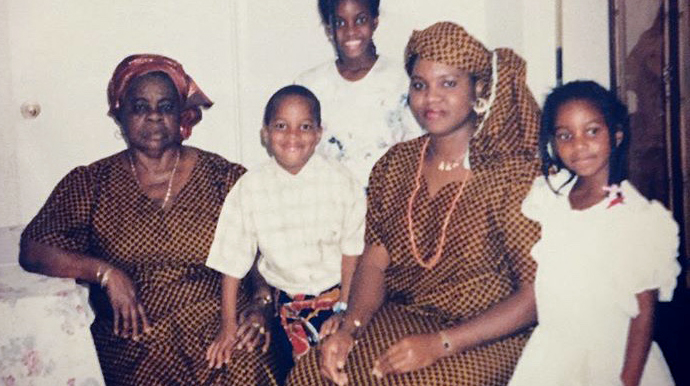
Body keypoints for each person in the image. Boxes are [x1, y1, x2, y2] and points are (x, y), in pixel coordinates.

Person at [287, 21, 542, 386]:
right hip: (403, 317)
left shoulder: (511, 174)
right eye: (420, 85)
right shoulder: (395, 166)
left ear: (479, 90)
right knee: (313, 374)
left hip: (488, 333)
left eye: (448, 83)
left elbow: (535, 295)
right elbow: (375, 261)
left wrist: (441, 344)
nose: (430, 98)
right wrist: (350, 329)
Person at [18, 54, 279, 386]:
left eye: (166, 106)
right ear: (120, 115)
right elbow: (34, 247)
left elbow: (265, 249)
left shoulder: (224, 178)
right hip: (136, 333)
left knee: (244, 363)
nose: (154, 116)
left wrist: (261, 305)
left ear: (182, 114)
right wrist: (105, 273)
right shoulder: (91, 182)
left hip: (221, 320)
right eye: (140, 107)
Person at [508, 80, 679, 386]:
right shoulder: (552, 197)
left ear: (616, 134)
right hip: (552, 353)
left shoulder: (636, 217)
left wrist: (626, 381)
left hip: (612, 358)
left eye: (592, 131)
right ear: (553, 143)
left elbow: (644, 316)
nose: (579, 144)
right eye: (565, 135)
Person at [205, 85, 366, 379]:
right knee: (285, 371)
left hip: (339, 298)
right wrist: (227, 326)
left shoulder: (342, 182)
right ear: (265, 133)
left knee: (347, 367)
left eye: (304, 127)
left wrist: (345, 310)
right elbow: (232, 261)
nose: (293, 136)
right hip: (284, 307)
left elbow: (352, 252)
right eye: (281, 126)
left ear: (318, 133)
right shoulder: (249, 188)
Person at [295, 0, 422, 188]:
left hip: (390, 208)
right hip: (330, 208)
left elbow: (420, 152)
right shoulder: (309, 87)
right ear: (329, 30)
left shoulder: (404, 80)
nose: (351, 31)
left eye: (360, 20)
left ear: (375, 21)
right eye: (340, 22)